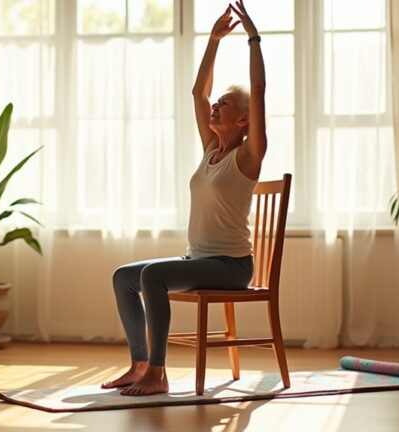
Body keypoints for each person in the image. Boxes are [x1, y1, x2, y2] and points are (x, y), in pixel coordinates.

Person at [101, 0, 267, 397]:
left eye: (224, 103)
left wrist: (252, 39)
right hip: (198, 257)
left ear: (243, 119)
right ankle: (140, 363)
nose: (215, 105)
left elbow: (259, 90)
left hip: (231, 266)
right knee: (125, 277)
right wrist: (212, 40)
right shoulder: (211, 149)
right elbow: (198, 91)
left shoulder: (249, 155)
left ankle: (157, 373)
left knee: (151, 275)